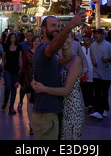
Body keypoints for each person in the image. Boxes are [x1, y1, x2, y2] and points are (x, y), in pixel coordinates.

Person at [32, 11, 86, 140]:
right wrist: (70, 25)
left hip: (62, 110)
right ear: (43, 29)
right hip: (47, 112)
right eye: (53, 25)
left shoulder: (65, 59)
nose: (56, 28)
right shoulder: (45, 48)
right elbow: (52, 47)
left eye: (58, 26)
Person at [89, 28, 111, 120]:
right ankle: (97, 110)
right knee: (97, 92)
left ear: (102, 35)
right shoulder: (92, 46)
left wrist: (107, 59)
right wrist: (93, 62)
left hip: (106, 73)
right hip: (96, 72)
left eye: (97, 34)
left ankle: (105, 109)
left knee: (104, 92)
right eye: (94, 34)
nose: (95, 36)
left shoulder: (108, 45)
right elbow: (91, 56)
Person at [17, 35, 41, 135]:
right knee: (30, 102)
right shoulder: (27, 53)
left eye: (38, 41)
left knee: (37, 102)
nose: (36, 42)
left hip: (39, 80)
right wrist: (19, 80)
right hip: (28, 79)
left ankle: (37, 123)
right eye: (35, 41)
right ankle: (31, 125)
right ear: (32, 42)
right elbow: (23, 67)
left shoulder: (42, 53)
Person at [2, 32, 22, 114]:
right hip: (7, 69)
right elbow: (3, 58)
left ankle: (11, 107)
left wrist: (21, 68)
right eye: (12, 37)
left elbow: (20, 58)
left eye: (14, 37)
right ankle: (5, 101)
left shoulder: (19, 47)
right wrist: (3, 68)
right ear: (9, 38)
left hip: (16, 70)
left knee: (14, 88)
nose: (13, 39)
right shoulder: (6, 47)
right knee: (8, 87)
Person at [17, 29, 34, 112]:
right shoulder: (22, 45)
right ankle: (20, 101)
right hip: (25, 69)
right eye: (27, 35)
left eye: (30, 36)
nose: (28, 37)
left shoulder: (36, 45)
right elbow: (19, 57)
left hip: (33, 71)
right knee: (23, 87)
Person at [80, 34, 94, 111]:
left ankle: (91, 104)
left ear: (90, 41)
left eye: (87, 40)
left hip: (93, 73)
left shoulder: (93, 48)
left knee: (91, 89)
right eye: (84, 40)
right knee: (84, 89)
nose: (85, 42)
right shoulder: (81, 49)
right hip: (83, 73)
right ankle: (87, 104)